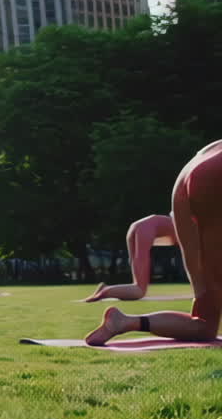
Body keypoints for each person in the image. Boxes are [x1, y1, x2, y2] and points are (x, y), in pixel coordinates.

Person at [87, 140, 222, 346]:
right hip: (211, 175)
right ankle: (116, 309)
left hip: (187, 175)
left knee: (203, 323)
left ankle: (124, 321)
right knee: (140, 289)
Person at [83, 215, 177, 302]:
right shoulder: (186, 229)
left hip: (135, 227)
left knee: (137, 285)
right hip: (146, 230)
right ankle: (105, 292)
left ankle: (105, 289)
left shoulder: (179, 223)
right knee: (139, 291)